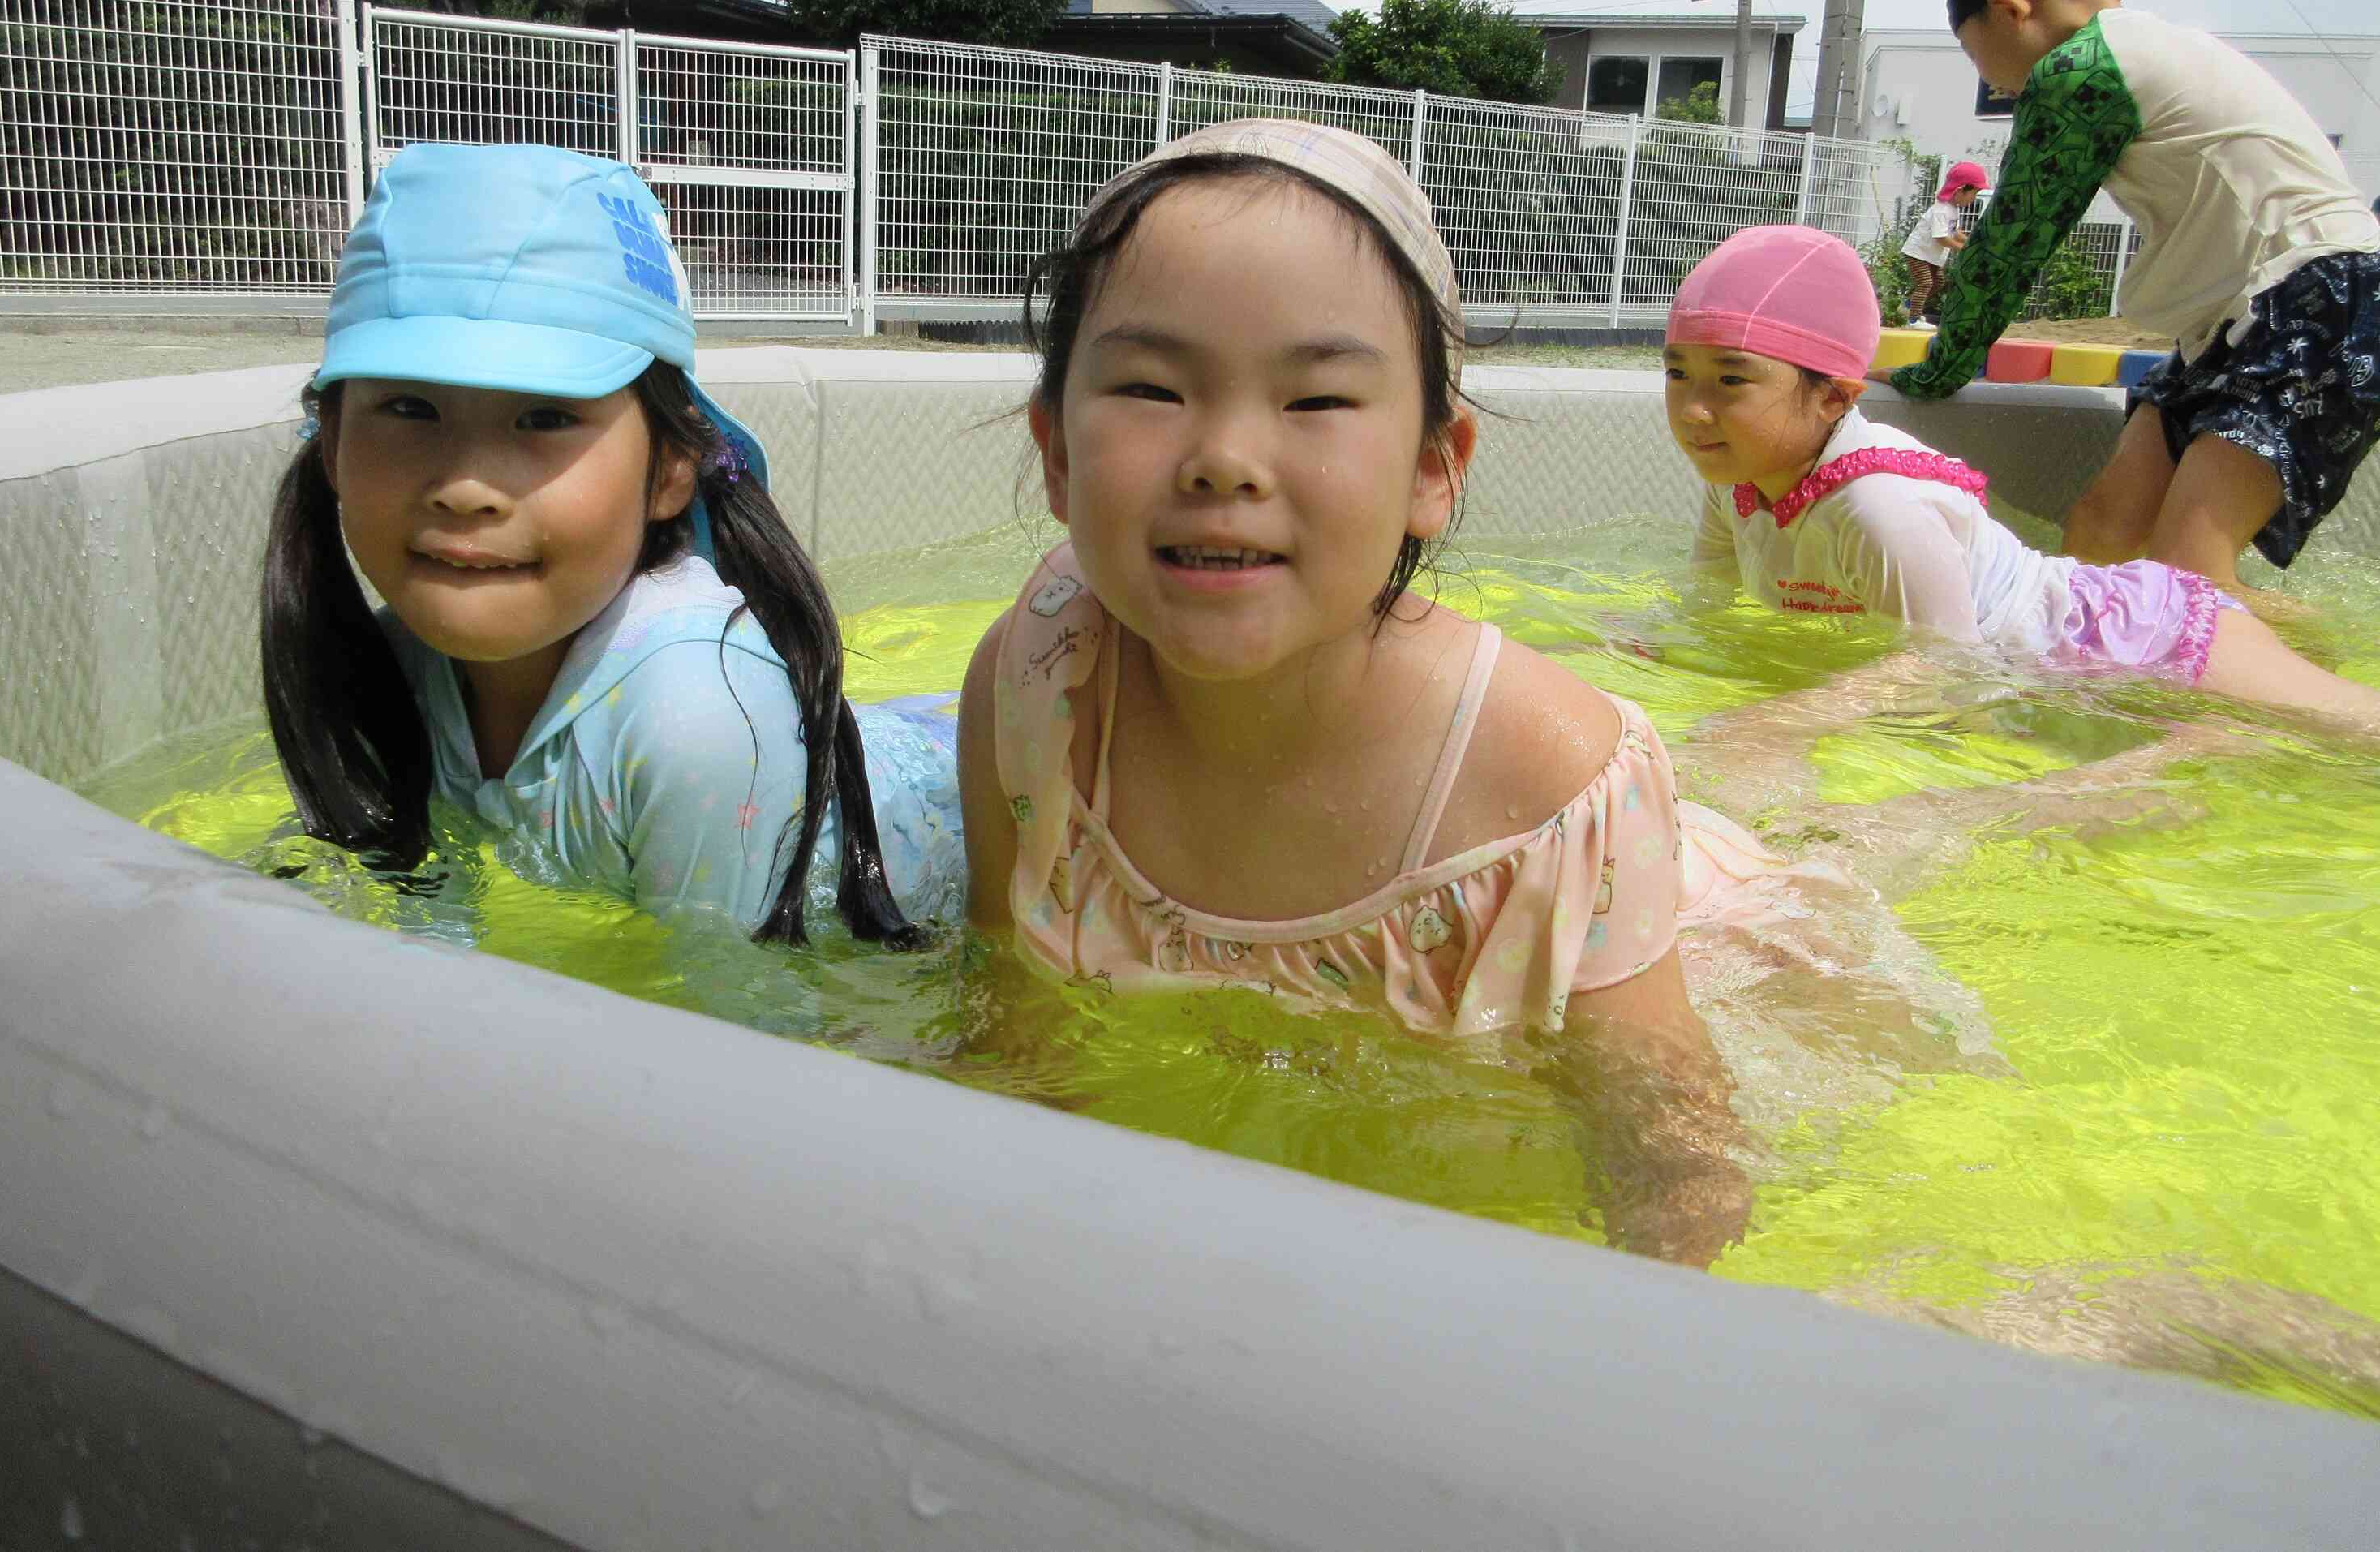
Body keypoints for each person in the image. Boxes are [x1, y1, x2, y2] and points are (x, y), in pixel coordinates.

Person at [955, 119, 1837, 1266]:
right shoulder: (1036, 690)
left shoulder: (1558, 786)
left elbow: (1677, 1169)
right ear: (1058, 456)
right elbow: (1011, 1030)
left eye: (1316, 400)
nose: (1224, 456)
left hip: (1712, 928)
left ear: (1436, 466)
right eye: (1149, 387)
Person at [260, 143, 963, 945]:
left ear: (670, 469)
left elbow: (739, 1028)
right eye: (411, 409)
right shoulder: (383, 667)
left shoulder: (696, 719)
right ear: (331, 445)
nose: (464, 485)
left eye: (546, 417)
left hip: (954, 814)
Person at [1671, 224, 2380, 724]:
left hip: (2145, 641)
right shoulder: (1736, 483)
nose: (1695, 411)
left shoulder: (1876, 508)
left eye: (1731, 381)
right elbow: (1706, 611)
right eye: (1677, 373)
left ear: (1834, 397)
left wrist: (1781, 724)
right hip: (2080, 659)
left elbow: (1947, 672)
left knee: (2351, 731)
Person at [1876, 0, 2380, 591]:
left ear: (2007, 9)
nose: (1988, 78)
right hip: (2243, 317)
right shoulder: (2160, 46)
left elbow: (2014, 242)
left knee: (2186, 568)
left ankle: (2322, 698)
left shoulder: (2082, 68)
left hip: (2316, 299)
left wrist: (1936, 370)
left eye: (1973, 52)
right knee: (2105, 529)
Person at [1898, 160, 1987, 329]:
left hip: (1929, 255)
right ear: (1960, 190)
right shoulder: (1941, 210)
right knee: (1925, 283)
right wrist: (1963, 249)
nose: (1974, 198)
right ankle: (1913, 320)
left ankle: (1910, 306)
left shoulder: (1953, 209)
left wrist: (1971, 242)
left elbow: (1953, 231)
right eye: (1973, 194)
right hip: (1917, 252)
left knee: (1938, 282)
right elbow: (1941, 238)